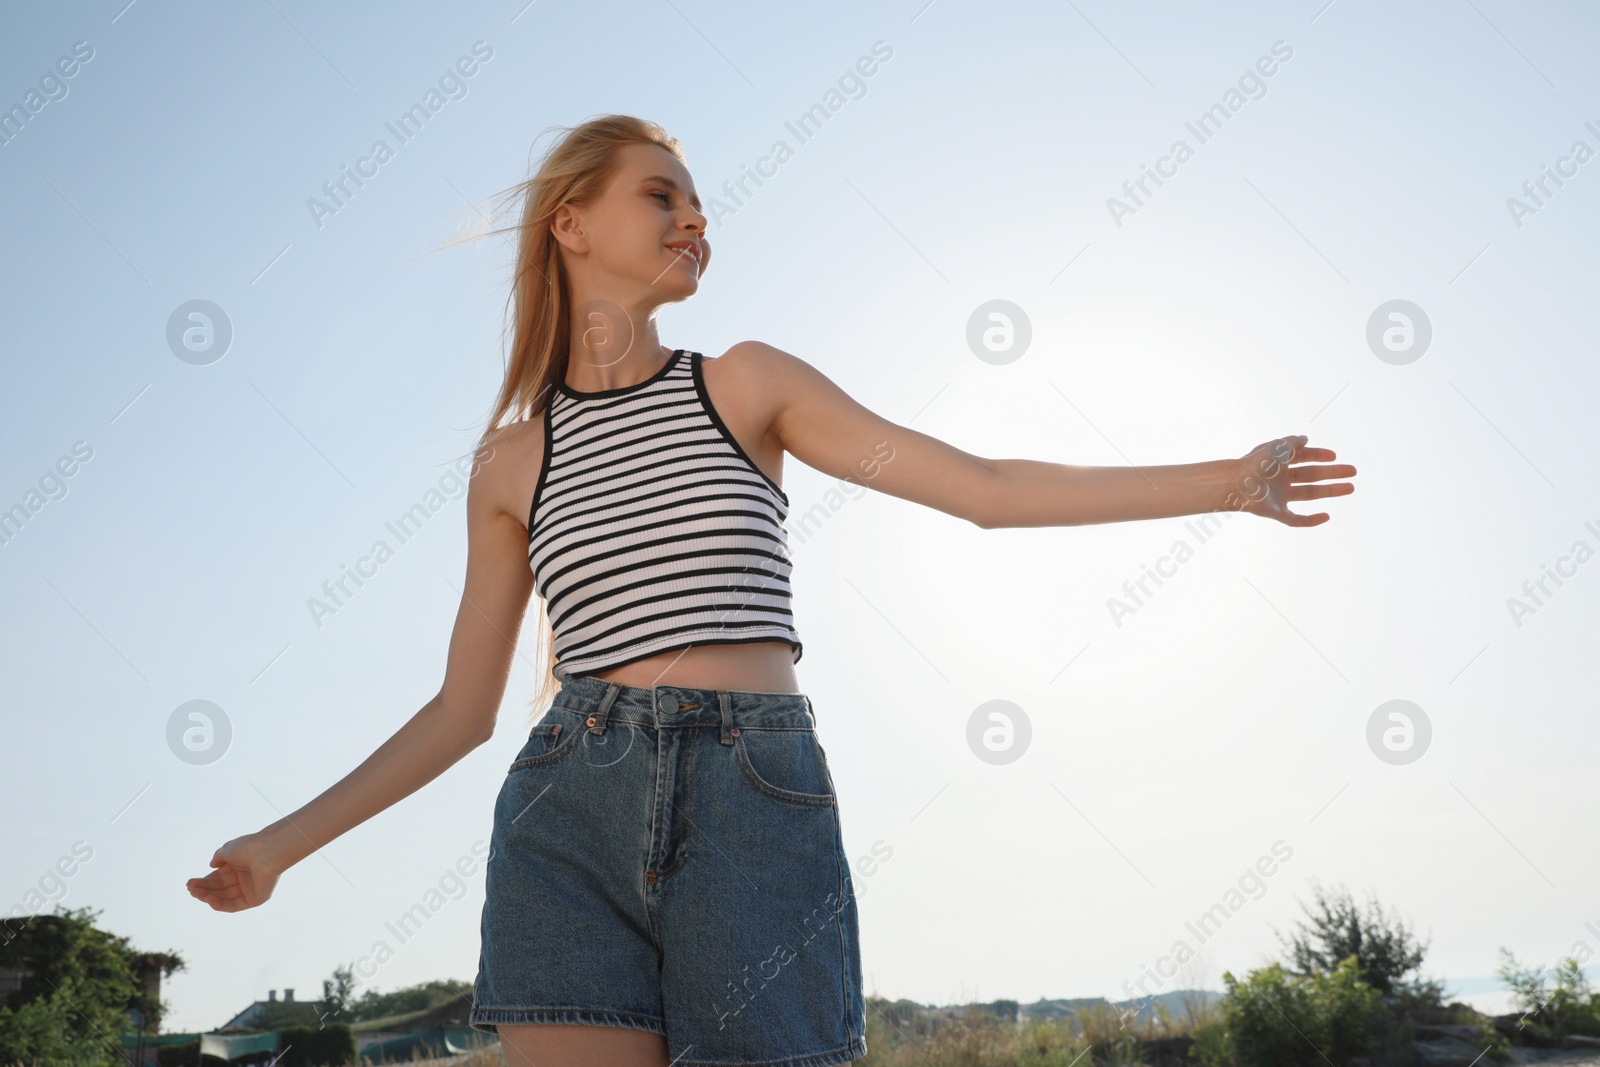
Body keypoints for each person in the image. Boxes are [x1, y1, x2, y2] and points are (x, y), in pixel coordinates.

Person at [186, 114, 1356, 1067]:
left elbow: (986, 489)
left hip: (753, 790)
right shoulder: (510, 463)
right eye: (661, 194)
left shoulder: (746, 385)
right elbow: (461, 710)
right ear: (572, 222)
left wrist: (1230, 479)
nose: (694, 216)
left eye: (700, 202)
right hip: (564, 811)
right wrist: (282, 844)